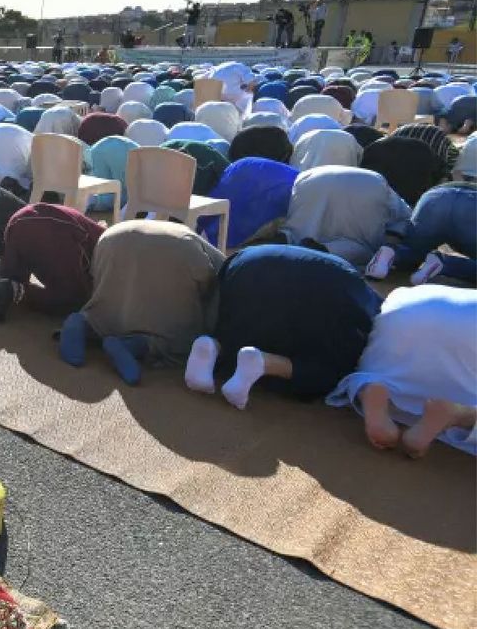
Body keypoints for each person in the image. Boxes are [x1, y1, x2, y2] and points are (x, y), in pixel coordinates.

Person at [185, 245, 381, 410]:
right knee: (334, 370)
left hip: (246, 261)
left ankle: (214, 346)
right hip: (318, 290)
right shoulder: (370, 306)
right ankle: (261, 361)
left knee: (241, 324)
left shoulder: (343, 269)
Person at [62, 221, 225, 385]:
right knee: (176, 335)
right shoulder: (220, 264)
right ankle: (130, 346)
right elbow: (207, 280)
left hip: (113, 235)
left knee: (106, 306)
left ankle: (85, 321)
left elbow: (95, 274)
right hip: (181, 250)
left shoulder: (189, 238)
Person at [327, 285, 476, 457]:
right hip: (463, 343)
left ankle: (367, 386)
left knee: (380, 369)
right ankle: (460, 414)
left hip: (407, 306)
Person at [0, 203, 104, 321]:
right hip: (53, 232)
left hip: (17, 221)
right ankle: (18, 291)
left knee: (13, 274)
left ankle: (4, 286)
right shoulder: (104, 242)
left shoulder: (95, 231)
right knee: (76, 300)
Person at [282, 166, 411, 270]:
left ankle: (301, 247)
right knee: (363, 250)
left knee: (302, 230)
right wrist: (391, 245)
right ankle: (324, 251)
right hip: (370, 183)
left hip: (310, 177)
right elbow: (404, 215)